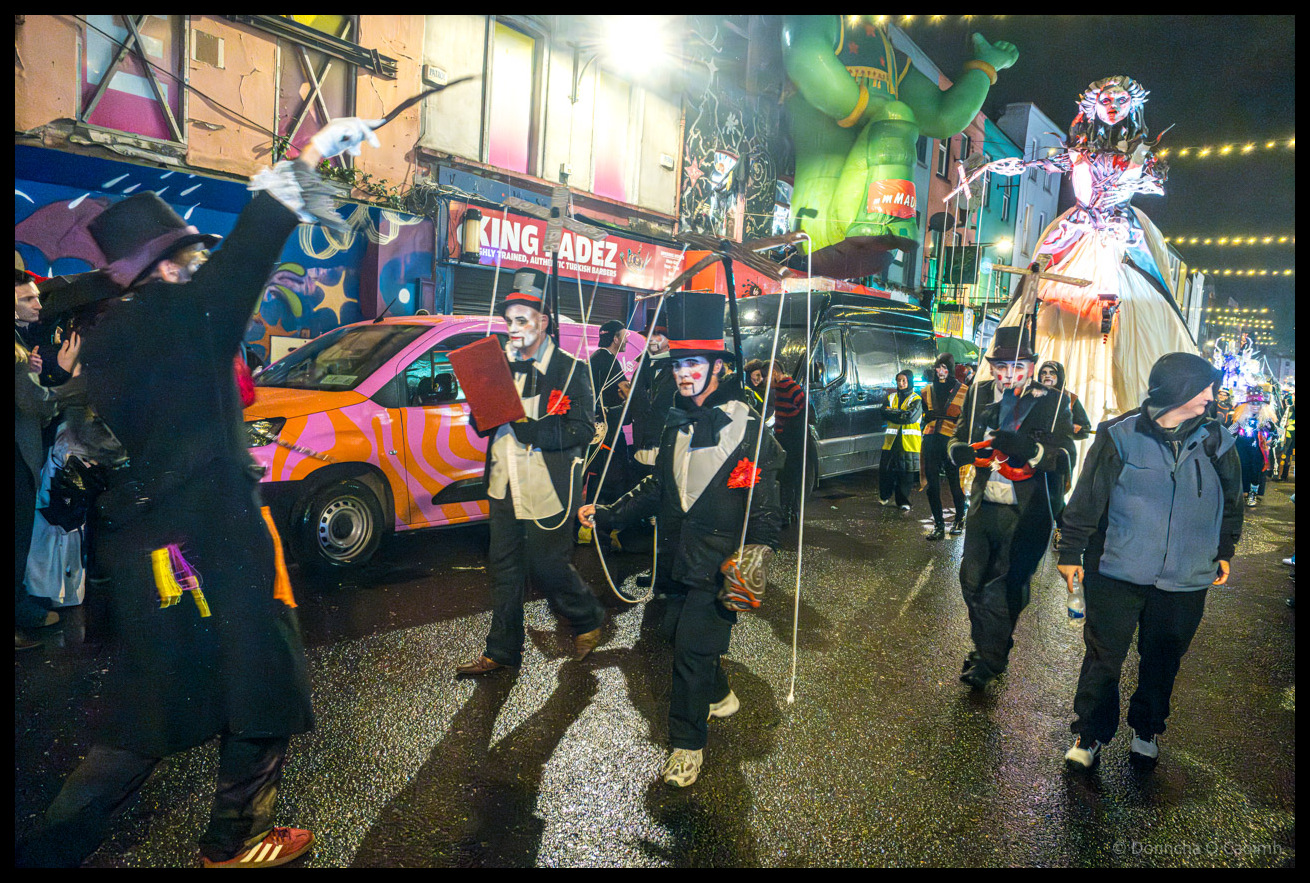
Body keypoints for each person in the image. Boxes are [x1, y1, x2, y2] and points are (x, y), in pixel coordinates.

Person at [14, 115, 385, 868]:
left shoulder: (107, 339)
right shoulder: (187, 317)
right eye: (187, 256)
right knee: (265, 677)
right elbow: (256, 243)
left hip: (157, 551)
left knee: (155, 707)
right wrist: (313, 151)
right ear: (166, 266)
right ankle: (236, 838)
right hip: (217, 540)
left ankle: (52, 849)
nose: (198, 265)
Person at [579, 290, 783, 788]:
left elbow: (766, 508)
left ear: (719, 367)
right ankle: (719, 694)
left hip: (718, 565)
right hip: (675, 558)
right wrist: (608, 515)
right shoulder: (676, 420)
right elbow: (658, 488)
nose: (682, 374)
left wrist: (758, 553)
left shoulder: (749, 428)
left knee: (690, 651)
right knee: (674, 634)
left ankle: (687, 746)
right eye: (677, 365)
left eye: (693, 364)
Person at [977, 77, 1195, 440]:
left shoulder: (1139, 152)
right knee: (1036, 285)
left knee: (1138, 302)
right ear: (1093, 105)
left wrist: (1148, 175)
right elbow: (1033, 164)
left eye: (1120, 100)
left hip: (1119, 231)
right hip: (1078, 227)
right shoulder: (1078, 149)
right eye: (1106, 99)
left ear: (1132, 106)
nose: (1112, 106)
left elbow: (1156, 186)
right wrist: (991, 166)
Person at [1058, 352, 1242, 770]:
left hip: (1186, 576)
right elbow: (1088, 496)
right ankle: (1090, 733)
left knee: (1163, 658)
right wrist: (1070, 550)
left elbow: (1231, 501)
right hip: (1117, 570)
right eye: (1205, 388)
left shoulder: (1218, 440)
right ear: (1179, 390)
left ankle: (1146, 729)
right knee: (1104, 657)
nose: (1210, 397)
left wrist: (1225, 550)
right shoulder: (1119, 434)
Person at [456, 269, 607, 677]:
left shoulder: (571, 369)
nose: (513, 328)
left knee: (546, 565)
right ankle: (502, 650)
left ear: (543, 322)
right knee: (503, 568)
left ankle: (587, 615)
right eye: (509, 320)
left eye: (521, 319)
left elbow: (582, 429)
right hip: (503, 482)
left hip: (547, 486)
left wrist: (532, 430)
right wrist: (483, 410)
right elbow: (480, 424)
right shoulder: (498, 365)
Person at [948, 325, 1075, 689]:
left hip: (1027, 511)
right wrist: (957, 451)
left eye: (1017, 366)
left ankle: (988, 659)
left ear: (1031, 366)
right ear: (991, 366)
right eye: (1001, 366)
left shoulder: (1053, 401)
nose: (1008, 374)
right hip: (984, 504)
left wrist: (1032, 450)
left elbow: (1066, 454)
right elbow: (958, 435)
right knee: (972, 581)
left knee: (1004, 587)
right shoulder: (978, 393)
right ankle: (993, 645)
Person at [582, 319, 632, 550]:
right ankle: (604, 533)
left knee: (595, 478)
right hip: (608, 432)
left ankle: (586, 531)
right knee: (611, 480)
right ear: (615, 338)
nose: (627, 340)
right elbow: (625, 391)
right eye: (624, 336)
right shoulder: (609, 360)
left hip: (595, 431)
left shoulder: (595, 358)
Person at [1036, 360, 1092, 542]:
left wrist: (1074, 427)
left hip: (1060, 453)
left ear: (1059, 376)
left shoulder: (1070, 399)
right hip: (1036, 452)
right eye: (1044, 372)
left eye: (1051, 373)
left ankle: (1061, 529)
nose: (1047, 376)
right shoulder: (1033, 395)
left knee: (1056, 494)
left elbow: (1085, 427)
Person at [921, 353, 968, 540]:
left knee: (955, 483)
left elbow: (967, 419)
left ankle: (959, 519)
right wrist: (926, 417)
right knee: (932, 485)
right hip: (931, 439)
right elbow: (924, 413)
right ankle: (939, 525)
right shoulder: (926, 390)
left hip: (951, 441)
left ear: (951, 369)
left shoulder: (964, 390)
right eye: (938, 367)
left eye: (945, 367)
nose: (940, 371)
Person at [879, 370, 923, 511]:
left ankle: (903, 502)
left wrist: (893, 413)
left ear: (909, 381)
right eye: (899, 380)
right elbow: (883, 412)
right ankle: (884, 496)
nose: (901, 383)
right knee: (886, 470)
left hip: (909, 442)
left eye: (904, 380)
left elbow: (910, 417)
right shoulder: (891, 397)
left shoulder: (916, 399)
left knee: (906, 474)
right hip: (891, 441)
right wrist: (900, 414)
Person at [770, 361, 807, 525]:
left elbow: (795, 413)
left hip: (789, 438)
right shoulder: (789, 387)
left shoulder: (785, 388)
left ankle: (786, 512)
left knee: (787, 476)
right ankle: (792, 511)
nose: (765, 381)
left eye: (766, 377)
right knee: (792, 477)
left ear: (774, 373)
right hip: (793, 437)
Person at [1230, 391, 1278, 508]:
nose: (1255, 406)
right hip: (1242, 447)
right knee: (1242, 468)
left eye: (1258, 403)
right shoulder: (1242, 418)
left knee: (1256, 470)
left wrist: (1271, 438)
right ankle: (1243, 491)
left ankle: (1253, 493)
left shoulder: (1266, 420)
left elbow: (1275, 434)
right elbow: (1230, 431)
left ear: (1262, 405)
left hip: (1258, 449)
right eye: (1252, 403)